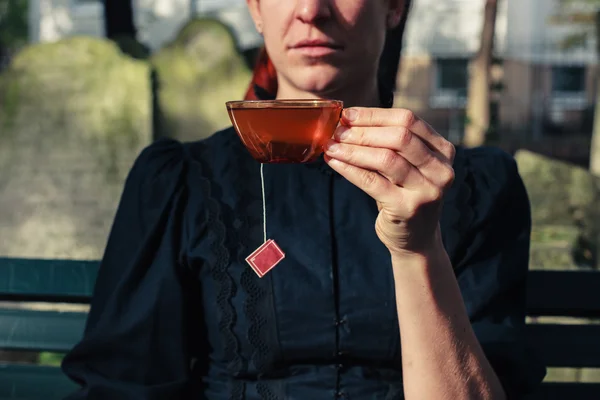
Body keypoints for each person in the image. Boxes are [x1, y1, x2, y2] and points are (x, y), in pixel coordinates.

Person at [61, 0, 546, 399]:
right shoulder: (180, 184)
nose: (312, 10)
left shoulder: (472, 186)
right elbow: (124, 384)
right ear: (255, 8)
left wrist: (419, 253)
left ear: (394, 8)